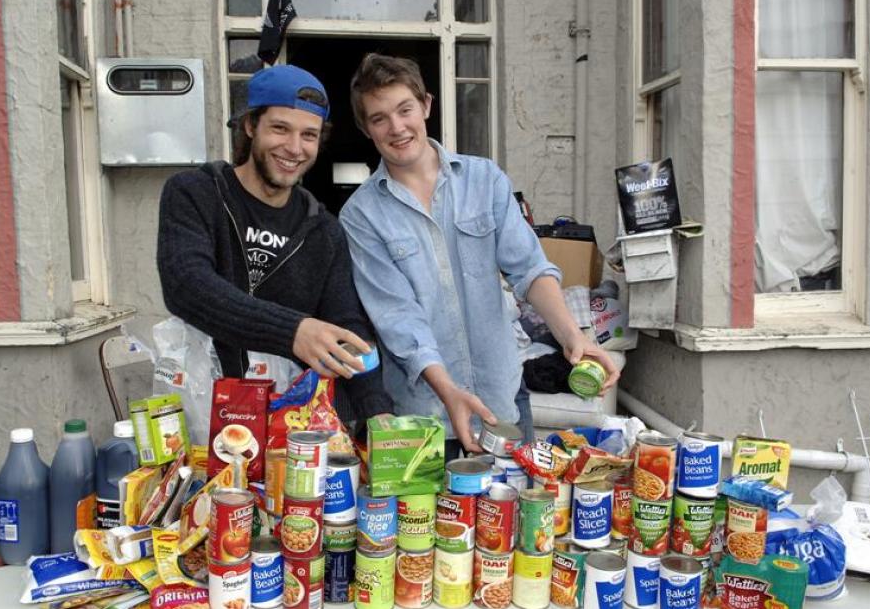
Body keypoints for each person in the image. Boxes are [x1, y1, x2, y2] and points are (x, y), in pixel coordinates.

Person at [339, 54, 619, 456]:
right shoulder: (361, 216)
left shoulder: (484, 179)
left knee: (514, 514)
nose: (397, 127)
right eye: (380, 118)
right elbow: (398, 318)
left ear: (427, 105)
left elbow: (530, 268)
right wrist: (449, 392)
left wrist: (573, 337)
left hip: (501, 400)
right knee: (431, 520)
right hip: (424, 419)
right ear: (367, 129)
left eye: (405, 109)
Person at [157, 64, 392, 425]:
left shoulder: (324, 231)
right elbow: (186, 285)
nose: (294, 148)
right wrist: (292, 332)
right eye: (280, 128)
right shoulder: (195, 193)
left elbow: (347, 326)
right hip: (202, 413)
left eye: (309, 135)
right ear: (251, 126)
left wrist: (378, 413)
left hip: (290, 423)